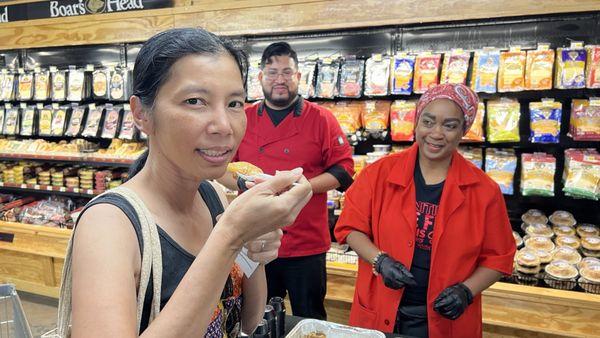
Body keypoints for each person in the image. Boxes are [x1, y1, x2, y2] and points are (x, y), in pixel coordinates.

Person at [69, 28, 313, 338]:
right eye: (195, 101)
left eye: (235, 103)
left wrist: (253, 249)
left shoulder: (213, 197)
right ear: (141, 113)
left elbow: (248, 321)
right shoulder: (109, 226)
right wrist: (230, 236)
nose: (224, 126)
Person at [334, 84, 516, 337]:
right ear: (417, 123)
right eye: (428, 121)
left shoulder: (484, 190)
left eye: (450, 125)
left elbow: (499, 257)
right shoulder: (379, 173)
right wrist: (380, 260)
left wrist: (466, 291)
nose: (436, 133)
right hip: (379, 308)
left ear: (464, 130)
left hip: (445, 320)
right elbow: (350, 227)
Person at [219, 42, 354, 320]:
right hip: (255, 237)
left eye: (286, 72)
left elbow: (343, 171)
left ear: (298, 77)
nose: (279, 79)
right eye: (271, 72)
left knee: (311, 316)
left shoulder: (321, 118)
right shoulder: (242, 118)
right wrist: (246, 184)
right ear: (259, 78)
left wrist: (301, 188)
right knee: (256, 316)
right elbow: (222, 168)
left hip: (307, 244)